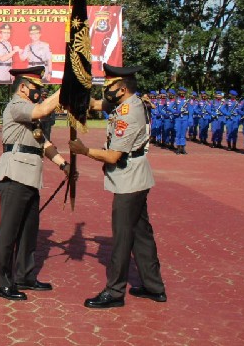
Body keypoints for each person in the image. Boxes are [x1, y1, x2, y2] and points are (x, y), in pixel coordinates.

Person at [69, 63, 167, 309]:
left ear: (121, 88)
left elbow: (113, 156)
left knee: (122, 238)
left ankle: (114, 292)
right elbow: (94, 104)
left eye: (110, 86)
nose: (106, 90)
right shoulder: (128, 103)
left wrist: (84, 150)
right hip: (135, 176)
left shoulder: (128, 113)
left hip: (129, 178)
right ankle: (154, 287)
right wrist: (73, 93)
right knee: (141, 234)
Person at [0, 66, 70, 301]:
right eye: (37, 88)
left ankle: (24, 275)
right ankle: (0, 282)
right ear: (23, 87)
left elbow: (43, 143)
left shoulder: (29, 112)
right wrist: (66, 89)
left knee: (28, 231)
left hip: (30, 177)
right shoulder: (17, 105)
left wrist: (64, 165)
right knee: (9, 232)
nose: (40, 93)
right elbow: (44, 109)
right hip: (14, 176)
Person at [171, 87, 192, 155]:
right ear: (179, 92)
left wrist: (190, 119)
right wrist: (175, 111)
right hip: (178, 118)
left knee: (183, 134)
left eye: (183, 92)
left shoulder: (188, 101)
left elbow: (190, 111)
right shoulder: (176, 100)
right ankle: (178, 148)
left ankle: (183, 148)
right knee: (178, 133)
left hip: (185, 118)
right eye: (181, 92)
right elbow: (169, 107)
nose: (182, 93)